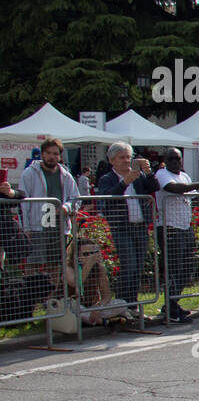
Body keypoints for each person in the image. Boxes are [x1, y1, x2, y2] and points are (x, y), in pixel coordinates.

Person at [154, 148, 199, 322]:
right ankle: (170, 308)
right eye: (171, 159)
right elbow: (173, 188)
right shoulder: (162, 174)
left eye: (178, 159)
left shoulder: (185, 175)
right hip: (169, 226)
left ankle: (173, 303)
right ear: (165, 160)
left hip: (185, 226)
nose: (175, 162)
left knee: (187, 268)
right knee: (174, 269)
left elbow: (194, 199)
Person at [96, 142, 159, 311]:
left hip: (140, 227)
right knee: (128, 265)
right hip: (122, 228)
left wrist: (148, 172)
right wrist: (124, 183)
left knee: (138, 267)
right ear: (112, 160)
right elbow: (106, 199)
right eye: (121, 158)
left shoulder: (138, 176)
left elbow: (154, 187)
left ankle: (132, 305)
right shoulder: (106, 179)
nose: (125, 161)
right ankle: (123, 304)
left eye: (128, 157)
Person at [20, 139, 80, 291]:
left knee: (56, 266)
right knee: (33, 264)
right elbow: (23, 202)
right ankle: (29, 299)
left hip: (59, 227)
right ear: (42, 154)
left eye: (55, 154)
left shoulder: (66, 176)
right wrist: (26, 228)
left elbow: (75, 198)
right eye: (48, 153)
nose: (51, 157)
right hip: (37, 227)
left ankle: (53, 300)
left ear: (60, 156)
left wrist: (66, 208)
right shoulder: (29, 173)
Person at [62, 237, 128, 326]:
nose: (90, 257)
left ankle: (94, 319)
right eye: (86, 254)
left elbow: (106, 296)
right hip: (69, 305)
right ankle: (103, 321)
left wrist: (98, 307)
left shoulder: (99, 268)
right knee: (74, 306)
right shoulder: (68, 268)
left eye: (92, 253)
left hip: (90, 308)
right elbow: (76, 283)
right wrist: (89, 264)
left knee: (121, 303)